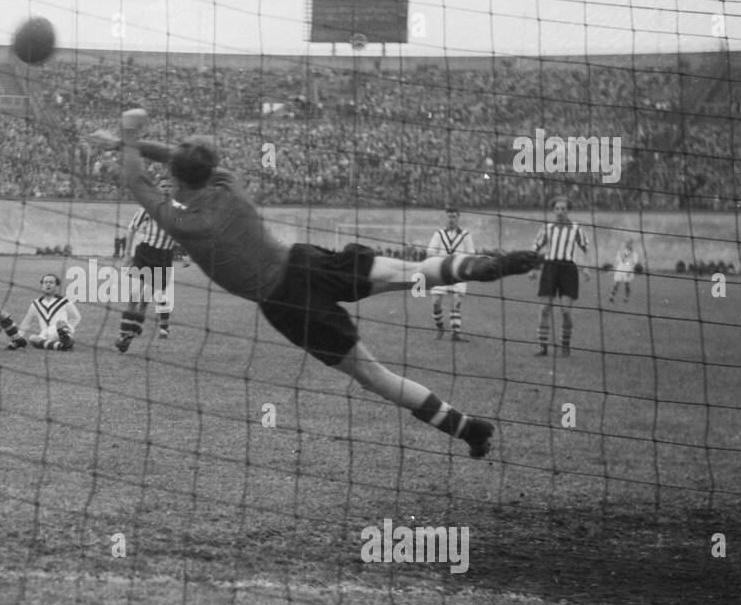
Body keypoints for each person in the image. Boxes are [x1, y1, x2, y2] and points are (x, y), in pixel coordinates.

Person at [99, 111, 542, 459]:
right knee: (404, 273)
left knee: (372, 375)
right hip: (304, 260)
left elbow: (136, 178)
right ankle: (476, 265)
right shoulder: (228, 185)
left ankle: (468, 428)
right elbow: (181, 161)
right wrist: (134, 138)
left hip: (286, 304)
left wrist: (127, 138)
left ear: (174, 180)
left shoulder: (181, 221)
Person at [116, 178, 182, 351]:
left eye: (169, 186)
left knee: (145, 299)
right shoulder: (148, 207)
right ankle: (123, 334)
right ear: (157, 188)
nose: (166, 189)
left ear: (173, 189)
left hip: (164, 257)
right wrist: (128, 254)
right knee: (135, 295)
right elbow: (131, 229)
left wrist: (186, 254)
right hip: (146, 252)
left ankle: (129, 336)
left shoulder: (179, 210)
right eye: (163, 186)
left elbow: (183, 235)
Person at [531, 196, 590, 356]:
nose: (560, 212)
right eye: (557, 209)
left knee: (566, 311)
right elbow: (535, 247)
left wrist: (585, 268)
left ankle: (565, 344)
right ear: (553, 210)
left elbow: (585, 248)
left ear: (568, 210)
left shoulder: (576, 228)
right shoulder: (547, 228)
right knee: (544, 309)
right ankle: (543, 347)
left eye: (563, 209)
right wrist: (533, 268)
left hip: (568, 270)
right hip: (550, 268)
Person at [426, 207, 475, 341]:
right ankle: (440, 327)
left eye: (454, 217)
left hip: (457, 273)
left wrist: (465, 267)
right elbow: (430, 251)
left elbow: (471, 254)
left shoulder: (466, 235)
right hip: (440, 272)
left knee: (456, 302)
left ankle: (455, 333)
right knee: (436, 302)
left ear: (458, 218)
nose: (451, 219)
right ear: (445, 218)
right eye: (449, 216)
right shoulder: (439, 234)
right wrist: (442, 259)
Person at [20, 273, 81, 350]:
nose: (48, 284)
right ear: (42, 286)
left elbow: (76, 317)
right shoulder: (36, 304)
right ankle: (62, 346)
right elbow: (26, 323)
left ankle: (66, 338)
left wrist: (68, 329)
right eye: (45, 282)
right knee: (32, 338)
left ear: (56, 286)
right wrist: (18, 338)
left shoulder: (64, 301)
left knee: (60, 323)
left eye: (51, 283)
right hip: (45, 335)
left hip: (60, 331)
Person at [608, 238, 636, 304]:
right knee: (616, 283)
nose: (628, 244)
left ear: (631, 244)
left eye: (629, 243)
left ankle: (626, 298)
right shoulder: (621, 251)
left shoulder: (633, 253)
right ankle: (611, 296)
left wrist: (631, 270)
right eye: (627, 242)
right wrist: (613, 268)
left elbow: (634, 262)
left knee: (627, 285)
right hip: (620, 268)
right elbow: (617, 260)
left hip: (628, 269)